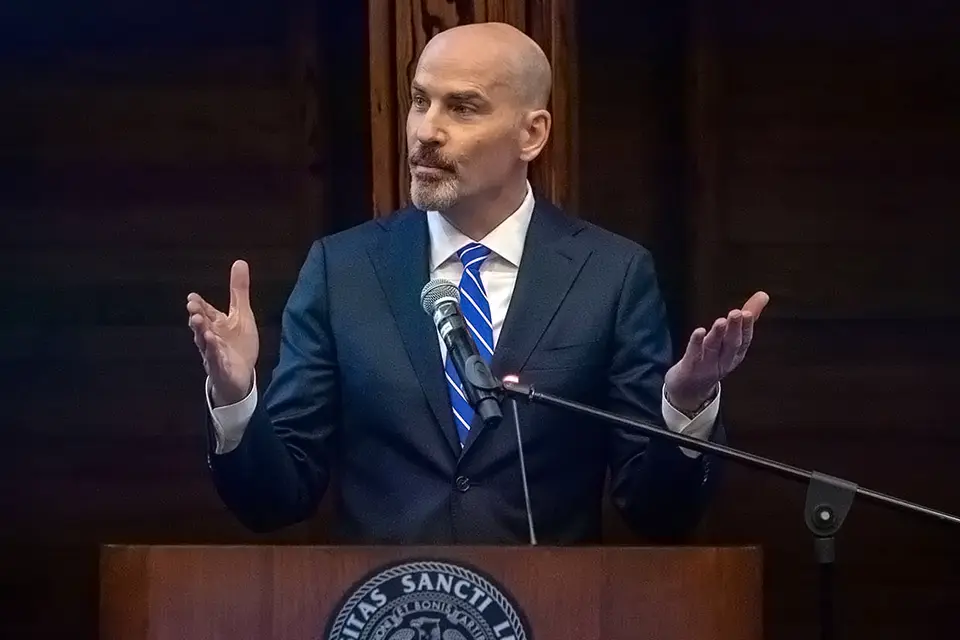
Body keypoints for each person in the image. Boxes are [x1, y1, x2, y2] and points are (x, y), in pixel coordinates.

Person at [186, 22, 768, 544]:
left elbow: (656, 513)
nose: (426, 131)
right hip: (387, 617)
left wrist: (685, 408)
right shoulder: (343, 271)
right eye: (419, 101)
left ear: (532, 134)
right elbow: (277, 499)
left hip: (546, 615)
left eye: (462, 108)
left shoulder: (611, 275)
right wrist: (237, 399)